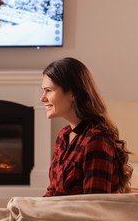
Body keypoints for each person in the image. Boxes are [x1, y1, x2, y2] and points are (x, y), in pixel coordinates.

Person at [40, 57, 132, 197]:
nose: (42, 98)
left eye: (48, 90)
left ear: (72, 93)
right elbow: (52, 192)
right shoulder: (63, 137)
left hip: (76, 218)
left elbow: (93, 207)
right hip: (57, 215)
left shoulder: (96, 141)